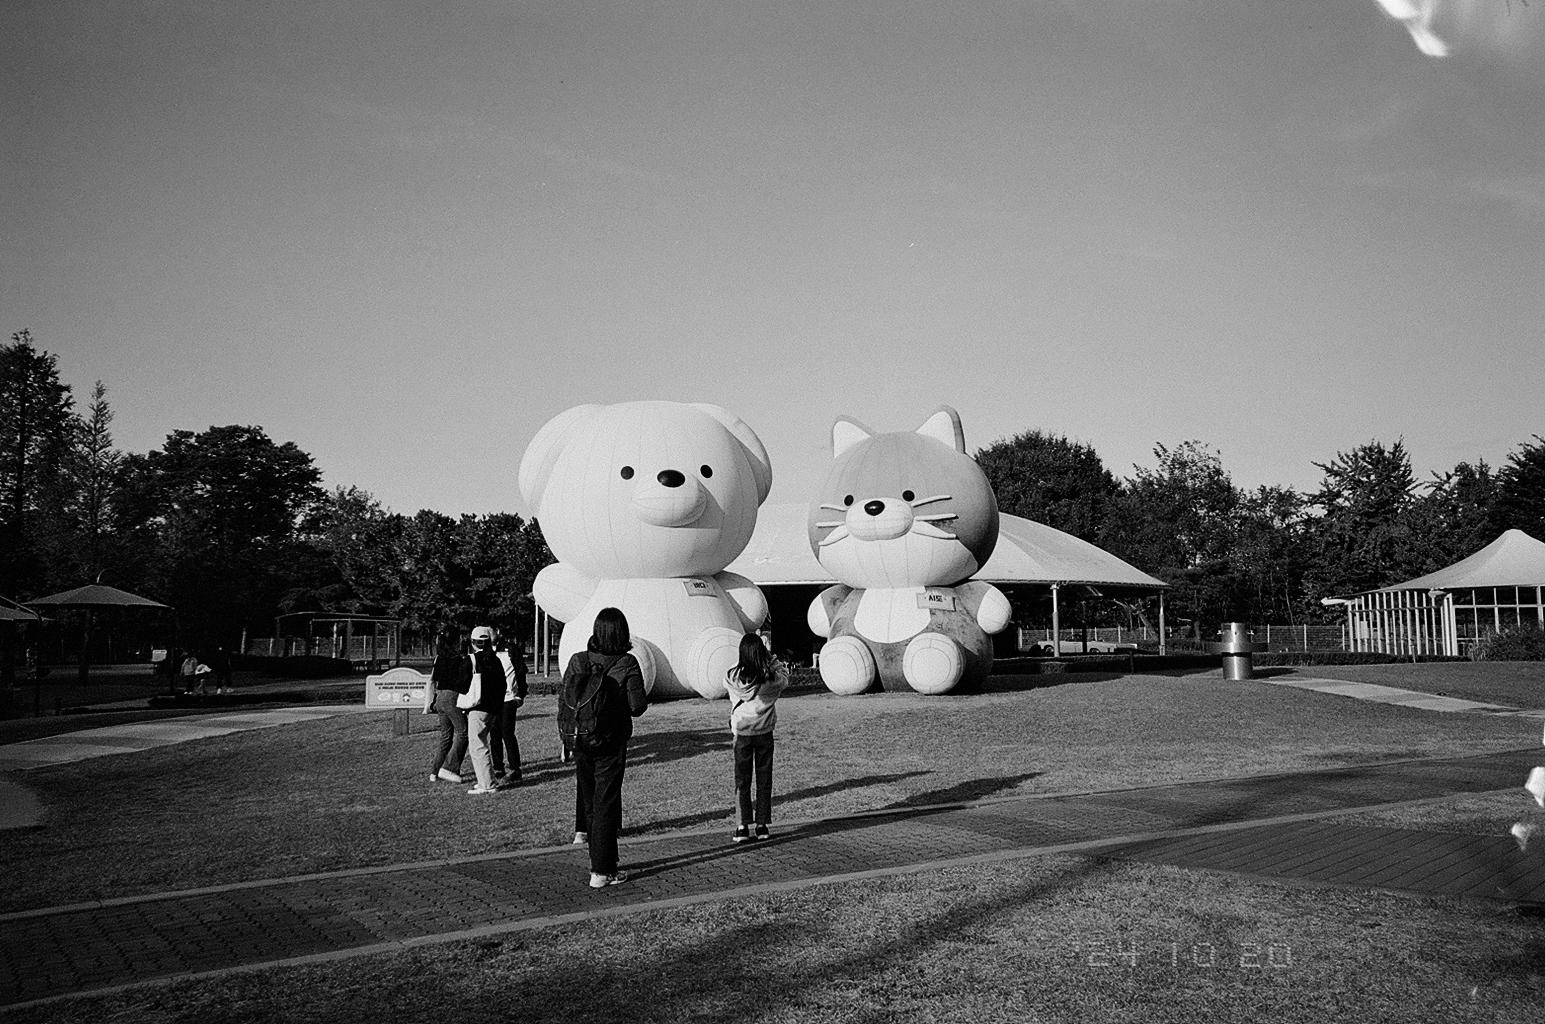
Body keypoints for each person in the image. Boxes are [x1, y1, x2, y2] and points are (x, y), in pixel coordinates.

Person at [561, 607, 647, 888]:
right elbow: (637, 706)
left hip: (580, 739)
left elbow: (566, 703)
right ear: (622, 632)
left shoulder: (577, 661)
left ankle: (599, 861)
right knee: (606, 802)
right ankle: (602, 869)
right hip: (611, 740)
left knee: (589, 801)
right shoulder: (627, 663)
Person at [724, 631, 788, 843]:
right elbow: (784, 675)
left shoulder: (731, 678)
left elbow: (730, 682)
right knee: (763, 779)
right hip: (764, 733)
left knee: (741, 780)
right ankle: (761, 825)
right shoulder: (772, 681)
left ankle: (742, 825)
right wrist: (771, 659)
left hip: (741, 733)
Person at [459, 625, 507, 795]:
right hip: (493, 708)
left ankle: (486, 784)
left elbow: (462, 684)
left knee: (477, 746)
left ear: (473, 642)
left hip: (477, 708)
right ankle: (488, 779)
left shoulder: (471, 660)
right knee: (483, 743)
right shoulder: (495, 660)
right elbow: (503, 685)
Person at [426, 628, 470, 784]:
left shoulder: (439, 658)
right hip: (452, 697)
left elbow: (433, 680)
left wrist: (429, 703)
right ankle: (450, 768)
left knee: (446, 736)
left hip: (440, 697)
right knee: (463, 732)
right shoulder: (459, 659)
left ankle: (434, 772)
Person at [492, 637, 529, 786]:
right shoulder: (486, 650)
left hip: (508, 698)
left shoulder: (510, 649)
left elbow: (520, 671)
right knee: (494, 734)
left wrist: (521, 693)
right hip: (493, 699)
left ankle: (515, 768)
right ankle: (498, 767)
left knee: (507, 732)